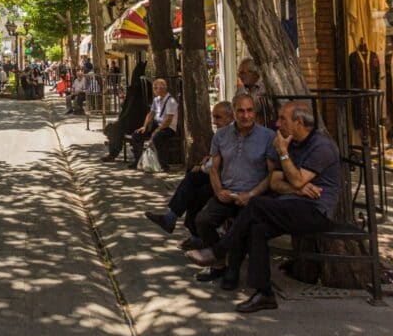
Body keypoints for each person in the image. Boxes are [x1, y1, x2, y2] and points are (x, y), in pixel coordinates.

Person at [186, 100, 341, 313]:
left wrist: (284, 156)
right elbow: (278, 182)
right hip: (289, 206)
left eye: (283, 119)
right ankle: (264, 293)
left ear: (299, 122)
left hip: (314, 212)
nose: (277, 124)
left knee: (256, 204)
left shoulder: (320, 146)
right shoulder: (289, 143)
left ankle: (219, 250)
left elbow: (295, 179)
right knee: (256, 228)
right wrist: (296, 187)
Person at [185, 94, 276, 281]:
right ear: (234, 112)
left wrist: (251, 194)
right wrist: (219, 191)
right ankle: (219, 265)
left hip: (253, 196)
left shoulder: (267, 137)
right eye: (241, 111)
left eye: (249, 110)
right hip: (227, 193)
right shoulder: (221, 135)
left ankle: (232, 268)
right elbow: (214, 169)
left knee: (242, 226)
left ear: (255, 112)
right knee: (203, 220)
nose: (246, 115)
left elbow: (271, 175)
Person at [143, 102, 234, 249]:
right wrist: (206, 162)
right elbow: (214, 157)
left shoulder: (232, 133)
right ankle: (176, 221)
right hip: (216, 174)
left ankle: (186, 228)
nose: (214, 122)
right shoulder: (222, 133)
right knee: (191, 181)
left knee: (195, 189)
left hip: (226, 180)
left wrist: (203, 167)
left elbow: (216, 163)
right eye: (214, 117)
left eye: (218, 118)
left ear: (230, 117)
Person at [101, 60, 149, 161]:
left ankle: (113, 153)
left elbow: (131, 111)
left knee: (115, 128)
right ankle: (113, 151)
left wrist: (121, 120)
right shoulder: (139, 88)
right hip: (131, 121)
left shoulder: (137, 90)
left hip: (135, 123)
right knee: (113, 127)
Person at [130, 79, 178, 169]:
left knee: (157, 138)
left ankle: (163, 165)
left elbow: (168, 120)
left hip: (168, 127)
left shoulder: (171, 101)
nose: (154, 90)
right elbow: (150, 114)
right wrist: (144, 126)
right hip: (157, 124)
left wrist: (156, 131)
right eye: (154, 87)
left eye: (156, 88)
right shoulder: (156, 100)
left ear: (163, 89)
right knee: (136, 135)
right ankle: (138, 161)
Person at [235, 58, 276, 129]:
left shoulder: (267, 87)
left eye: (242, 73)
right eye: (239, 73)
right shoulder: (241, 90)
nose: (239, 76)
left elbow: (267, 109)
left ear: (253, 73)